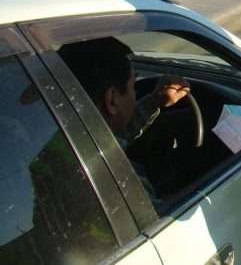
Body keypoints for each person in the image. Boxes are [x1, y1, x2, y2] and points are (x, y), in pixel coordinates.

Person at [57, 37, 193, 198]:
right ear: (112, 99)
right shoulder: (118, 182)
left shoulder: (60, 134)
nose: (135, 94)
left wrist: (154, 101)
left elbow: (113, 136)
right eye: (133, 86)